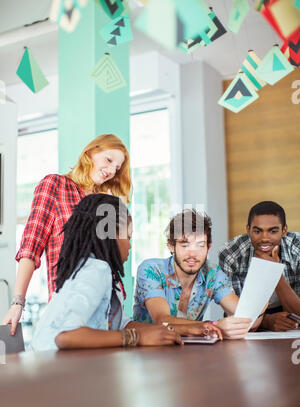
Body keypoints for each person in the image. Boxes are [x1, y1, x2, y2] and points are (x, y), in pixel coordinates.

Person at [30, 194, 221, 351]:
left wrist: (189, 328)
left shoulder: (101, 272)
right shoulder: (95, 270)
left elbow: (123, 324)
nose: (129, 245)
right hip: (50, 372)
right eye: (127, 237)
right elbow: (65, 336)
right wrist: (135, 338)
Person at [4, 134, 132, 336]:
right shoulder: (55, 185)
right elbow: (31, 246)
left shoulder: (106, 203)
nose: (110, 171)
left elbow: (112, 259)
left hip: (108, 308)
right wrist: (18, 302)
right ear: (90, 152)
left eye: (117, 168)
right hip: (70, 304)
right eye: (108, 160)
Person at [133, 209, 260, 340]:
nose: (192, 254)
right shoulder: (151, 270)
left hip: (190, 352)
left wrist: (263, 280)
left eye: (200, 245)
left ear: (208, 247)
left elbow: (249, 320)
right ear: (171, 246)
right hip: (149, 351)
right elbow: (162, 321)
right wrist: (213, 326)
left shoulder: (213, 274)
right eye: (185, 245)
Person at [219, 201, 300, 332]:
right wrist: (267, 321)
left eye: (273, 231)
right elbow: (238, 315)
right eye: (257, 231)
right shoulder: (230, 253)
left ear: (284, 230)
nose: (264, 238)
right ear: (248, 229)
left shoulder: (297, 249)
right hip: (253, 324)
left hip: (291, 320)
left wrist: (273, 271)